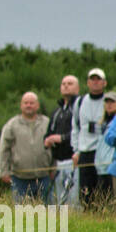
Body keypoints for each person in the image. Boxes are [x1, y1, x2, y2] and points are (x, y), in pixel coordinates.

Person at [0, 93, 52, 201]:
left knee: (48, 213)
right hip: (19, 179)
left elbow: (55, 147)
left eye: (32, 103)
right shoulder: (12, 125)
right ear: (21, 106)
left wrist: (54, 168)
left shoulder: (47, 123)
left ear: (37, 106)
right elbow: (4, 149)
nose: (28, 105)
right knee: (21, 214)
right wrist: (3, 171)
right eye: (26, 103)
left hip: (44, 176)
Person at [71, 69, 107, 208]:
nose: (95, 82)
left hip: (101, 151)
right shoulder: (80, 101)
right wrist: (76, 150)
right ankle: (88, 214)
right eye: (92, 79)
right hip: (84, 151)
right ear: (87, 82)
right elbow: (75, 127)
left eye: (98, 79)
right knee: (85, 190)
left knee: (102, 188)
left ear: (104, 83)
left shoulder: (108, 101)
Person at [45, 75, 80, 208]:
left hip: (74, 161)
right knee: (60, 202)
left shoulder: (78, 107)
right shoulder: (57, 111)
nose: (66, 86)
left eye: (70, 83)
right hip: (58, 162)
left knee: (74, 201)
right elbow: (49, 132)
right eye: (63, 83)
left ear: (77, 88)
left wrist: (62, 138)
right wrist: (47, 140)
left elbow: (81, 131)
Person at [93, 91, 116, 205]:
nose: (109, 104)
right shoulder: (102, 123)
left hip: (113, 165)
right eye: (107, 102)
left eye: (113, 102)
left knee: (114, 201)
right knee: (102, 201)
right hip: (101, 166)